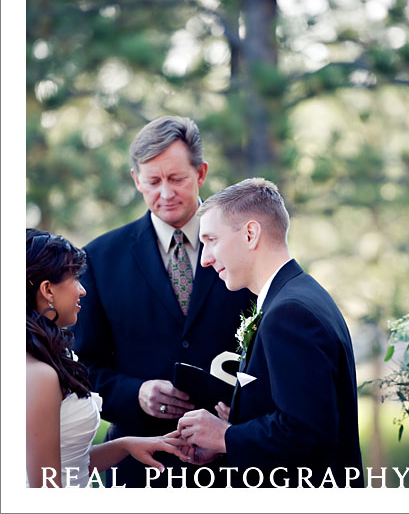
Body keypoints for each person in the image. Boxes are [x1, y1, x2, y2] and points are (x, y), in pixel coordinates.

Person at [71, 116, 254, 487]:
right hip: (139, 469)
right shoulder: (99, 259)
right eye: (153, 181)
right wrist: (134, 394)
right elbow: (82, 367)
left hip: (233, 464)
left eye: (177, 179)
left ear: (201, 173)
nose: (165, 193)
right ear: (136, 179)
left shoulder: (247, 242)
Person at [177, 178, 364, 488]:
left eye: (212, 240)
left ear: (251, 234)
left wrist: (225, 436)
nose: (205, 258)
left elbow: (308, 430)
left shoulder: (290, 314)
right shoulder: (297, 295)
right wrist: (236, 427)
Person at [26, 229, 187, 488]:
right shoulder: (38, 374)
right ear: (47, 290)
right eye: (75, 278)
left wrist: (125, 445)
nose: (83, 290)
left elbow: (69, 463)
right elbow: (46, 489)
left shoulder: (53, 356)